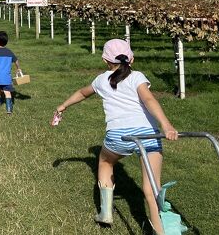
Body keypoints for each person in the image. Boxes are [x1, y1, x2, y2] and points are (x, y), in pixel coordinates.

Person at [54, 39, 178, 234]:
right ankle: (160, 231)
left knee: (105, 162)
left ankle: (105, 212)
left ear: (105, 60)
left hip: (118, 136)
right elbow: (148, 99)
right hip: (148, 136)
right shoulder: (137, 76)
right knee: (152, 187)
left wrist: (63, 106)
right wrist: (166, 125)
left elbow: (82, 92)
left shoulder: (101, 80)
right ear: (132, 59)